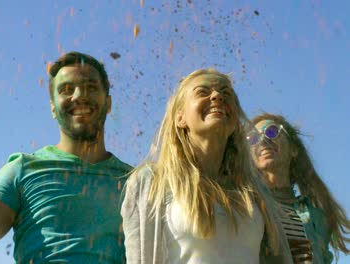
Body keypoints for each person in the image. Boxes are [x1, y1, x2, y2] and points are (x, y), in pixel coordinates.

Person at [0, 51, 132, 264]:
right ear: (52, 108)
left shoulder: (136, 181)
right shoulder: (24, 169)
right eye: (66, 89)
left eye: (91, 87)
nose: (78, 95)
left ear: (109, 103)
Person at [121, 68, 293, 264]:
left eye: (226, 93)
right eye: (202, 92)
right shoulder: (150, 181)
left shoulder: (255, 191)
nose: (217, 96)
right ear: (180, 117)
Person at [248, 113, 350, 263]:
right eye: (253, 138)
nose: (263, 141)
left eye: (271, 132)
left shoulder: (317, 218)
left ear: (293, 149)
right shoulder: (247, 205)